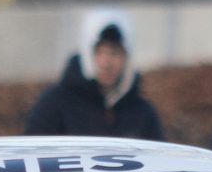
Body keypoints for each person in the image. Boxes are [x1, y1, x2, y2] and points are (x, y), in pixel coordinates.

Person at [25, 9, 165, 141]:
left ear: (126, 57)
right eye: (99, 52)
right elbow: (33, 156)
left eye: (114, 53)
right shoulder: (54, 105)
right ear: (87, 55)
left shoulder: (143, 114)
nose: (106, 63)